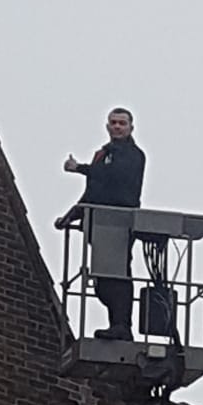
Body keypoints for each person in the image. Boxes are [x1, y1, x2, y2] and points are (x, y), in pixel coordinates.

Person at [56, 107, 146, 339]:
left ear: (131, 128)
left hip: (118, 221)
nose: (117, 127)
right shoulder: (102, 154)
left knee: (116, 275)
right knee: (103, 279)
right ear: (107, 126)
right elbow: (93, 192)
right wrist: (71, 216)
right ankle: (116, 325)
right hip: (99, 224)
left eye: (122, 123)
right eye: (114, 123)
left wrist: (80, 169)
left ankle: (122, 326)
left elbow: (113, 175)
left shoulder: (133, 155)